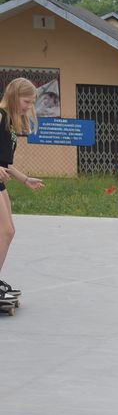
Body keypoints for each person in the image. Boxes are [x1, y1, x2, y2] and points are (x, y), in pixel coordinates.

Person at [0, 78, 45, 299]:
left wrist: (25, 179)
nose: (29, 107)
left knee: (9, 231)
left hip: (1, 183)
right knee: (6, 230)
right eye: (26, 101)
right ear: (15, 95)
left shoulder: (7, 121)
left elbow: (5, 164)